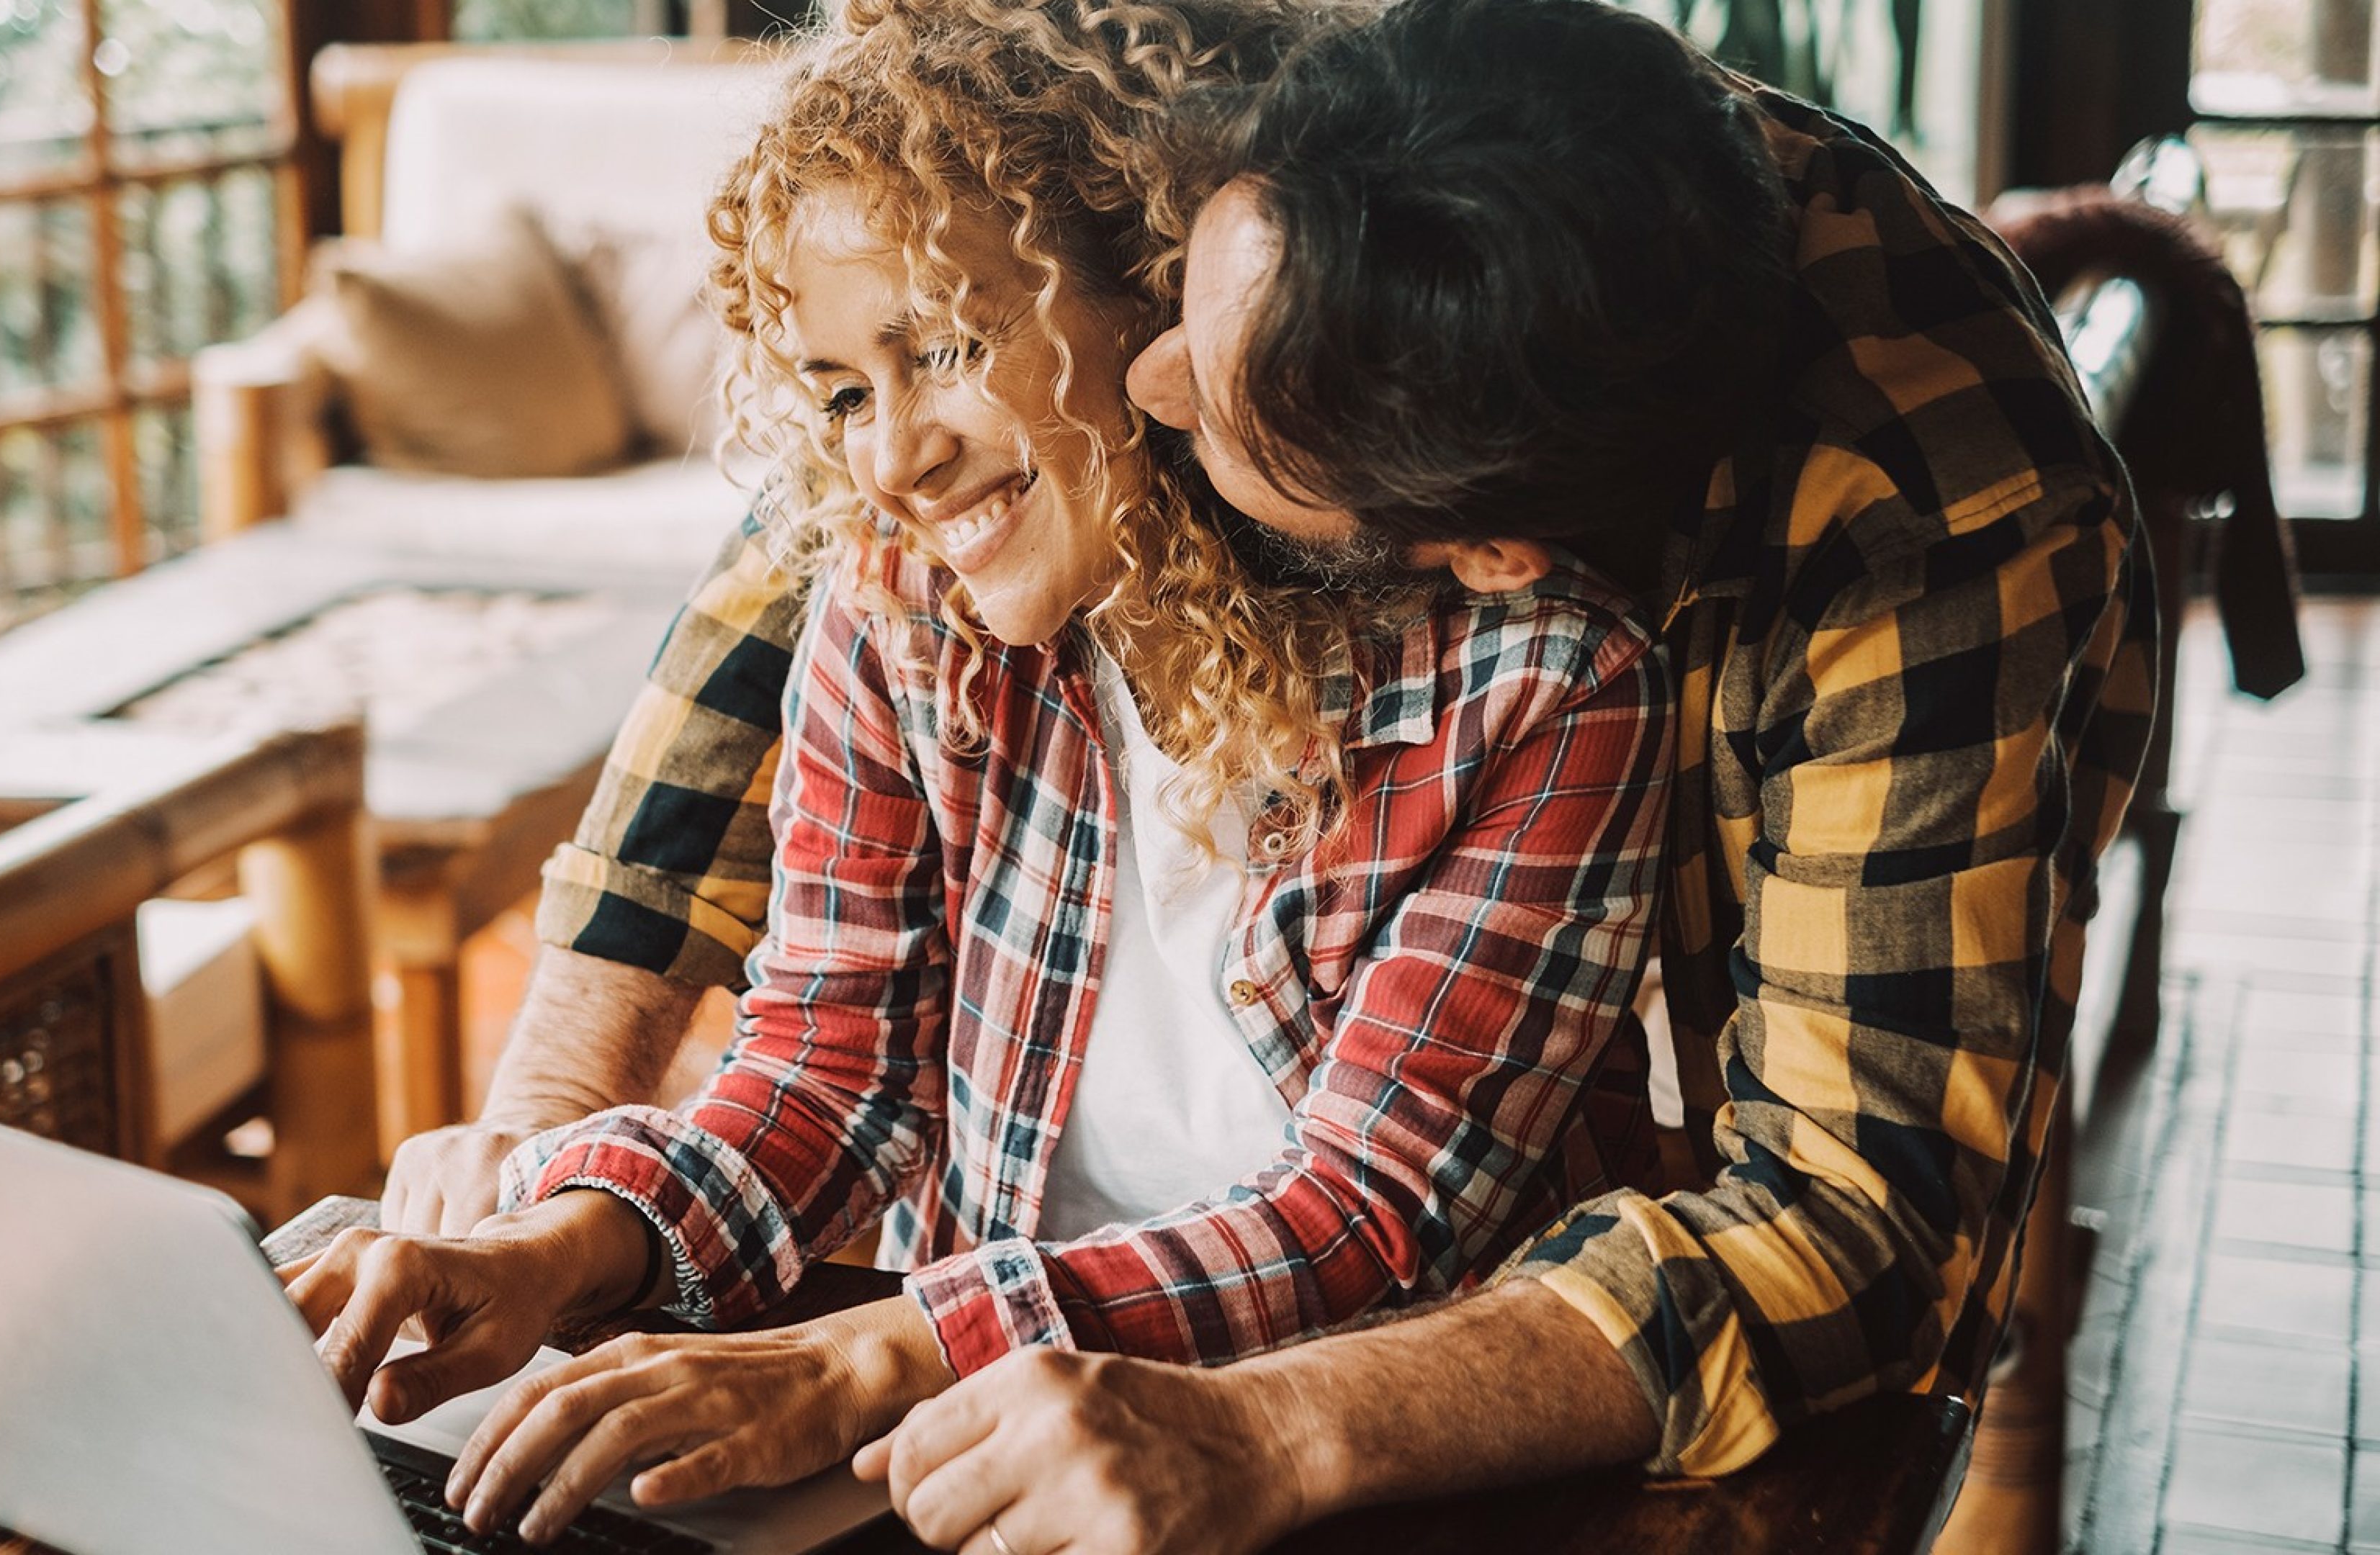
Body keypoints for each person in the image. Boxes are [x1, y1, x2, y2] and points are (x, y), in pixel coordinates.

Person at [289, 0, 1676, 1543]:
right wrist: (560, 1243)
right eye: (838, 392)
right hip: (969, 1455)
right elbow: (824, 1077)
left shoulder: (1538, 685)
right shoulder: (897, 608)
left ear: (1150, 306)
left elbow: (1372, 1215)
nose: (888, 460)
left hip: (1351, 1465)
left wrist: (872, 1357)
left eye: (942, 348)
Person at [847, 1, 2153, 1549]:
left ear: (1484, 560)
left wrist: (1269, 1429)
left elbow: (1850, 1224)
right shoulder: (1348, 121)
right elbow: (846, 531)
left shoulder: (1940, 525)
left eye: (1229, 404)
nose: (1145, 384)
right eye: (1190, 286)